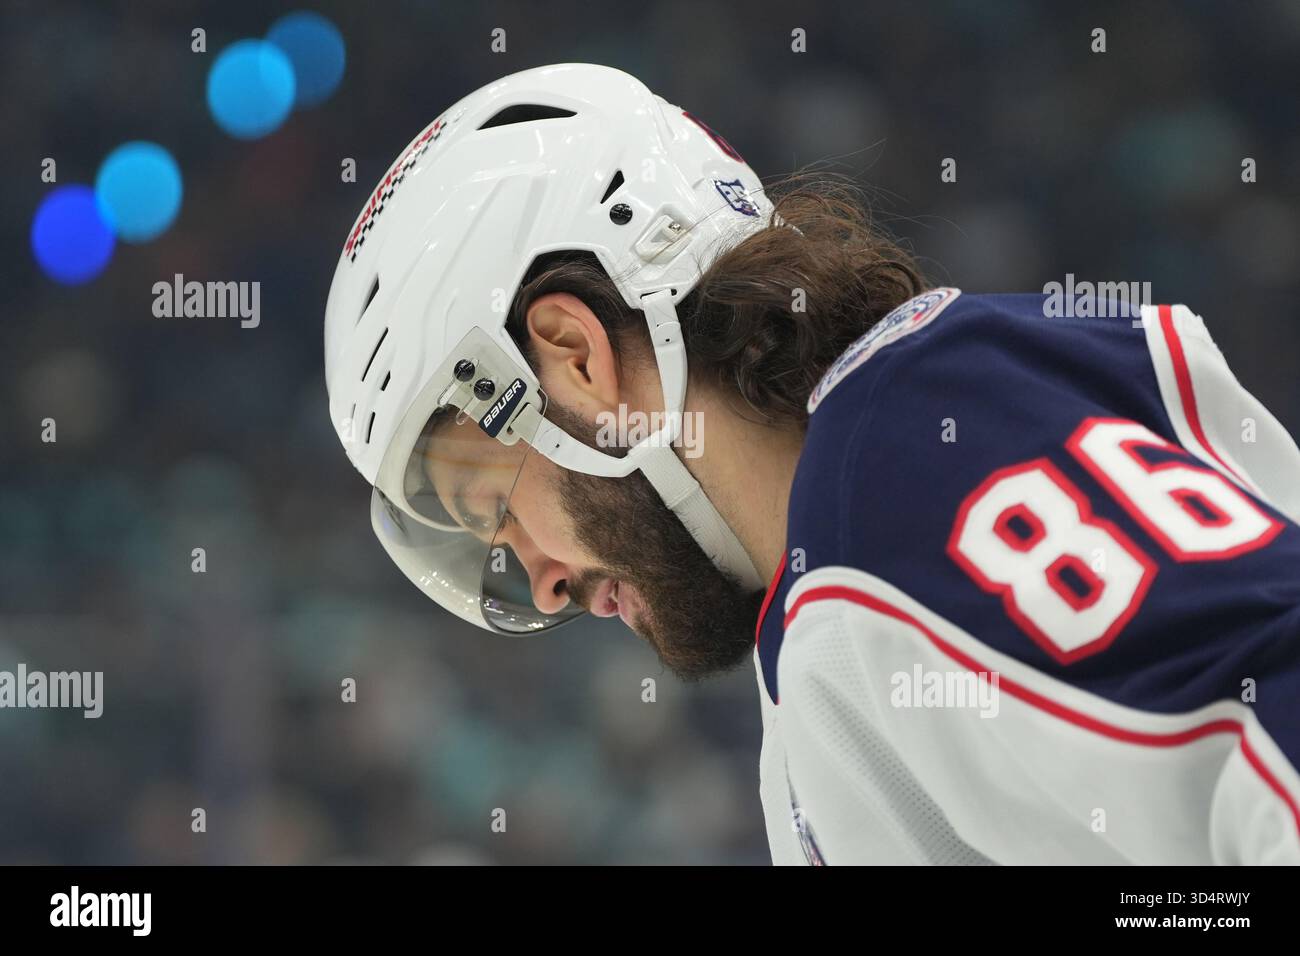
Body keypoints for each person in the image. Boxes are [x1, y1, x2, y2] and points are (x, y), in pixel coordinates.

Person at [324, 63, 1300, 864]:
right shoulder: (861, 522)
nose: (539, 577)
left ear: (573, 354)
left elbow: (1269, 738)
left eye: (496, 504)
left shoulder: (904, 477)